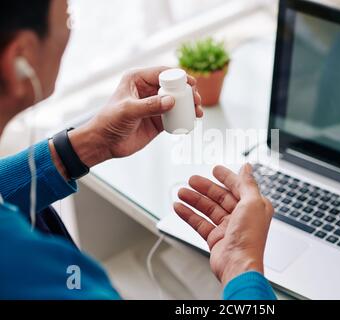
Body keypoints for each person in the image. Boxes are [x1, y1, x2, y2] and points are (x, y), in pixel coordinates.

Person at [0, 0, 276, 300]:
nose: (69, 30)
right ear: (20, 59)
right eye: (67, 19)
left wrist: (85, 145)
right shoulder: (40, 276)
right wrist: (242, 268)